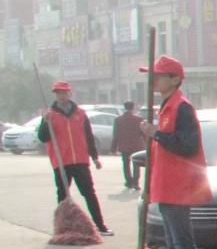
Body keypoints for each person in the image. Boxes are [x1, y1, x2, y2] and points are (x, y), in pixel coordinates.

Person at [139, 56, 212, 249]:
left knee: (184, 248)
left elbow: (187, 145)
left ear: (175, 80)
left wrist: (155, 133)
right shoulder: (167, 106)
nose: (154, 80)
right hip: (167, 188)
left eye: (159, 76)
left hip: (179, 189)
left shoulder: (181, 108)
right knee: (175, 247)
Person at [37, 81, 112, 236]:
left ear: (70, 93)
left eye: (64, 92)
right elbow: (43, 138)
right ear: (55, 95)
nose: (61, 95)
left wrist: (95, 157)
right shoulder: (50, 114)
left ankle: (101, 226)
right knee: (63, 196)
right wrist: (45, 122)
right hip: (61, 161)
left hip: (80, 161)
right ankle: (62, 228)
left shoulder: (80, 113)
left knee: (89, 193)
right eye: (58, 93)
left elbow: (88, 136)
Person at [112, 100, 145, 190]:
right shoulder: (139, 120)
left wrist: (113, 148)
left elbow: (115, 135)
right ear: (133, 108)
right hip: (137, 145)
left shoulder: (118, 120)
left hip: (124, 146)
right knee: (136, 164)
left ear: (124, 107)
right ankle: (136, 183)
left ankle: (128, 182)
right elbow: (143, 134)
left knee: (126, 164)